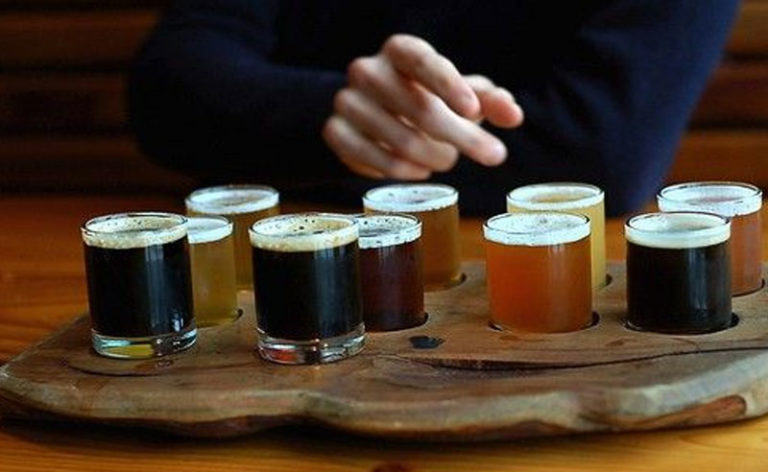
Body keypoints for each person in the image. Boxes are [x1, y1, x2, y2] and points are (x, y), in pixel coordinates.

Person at [129, 0, 740, 215]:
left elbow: (604, 151)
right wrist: (334, 114)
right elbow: (170, 89)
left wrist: (377, 132)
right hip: (266, 272)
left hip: (544, 293)